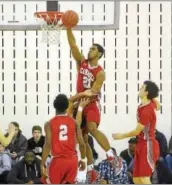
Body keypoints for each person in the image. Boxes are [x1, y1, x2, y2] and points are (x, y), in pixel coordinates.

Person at [66, 28, 122, 182]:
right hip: (80, 103)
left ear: (99, 54)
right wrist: (68, 28)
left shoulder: (100, 72)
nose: (90, 51)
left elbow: (92, 92)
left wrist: (76, 97)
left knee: (92, 129)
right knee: (82, 138)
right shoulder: (82, 62)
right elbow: (73, 45)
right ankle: (90, 169)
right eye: (90, 48)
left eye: (93, 49)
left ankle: (112, 157)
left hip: (91, 103)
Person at [112, 81, 160, 184]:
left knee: (144, 178)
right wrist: (154, 98)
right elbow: (158, 105)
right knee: (136, 179)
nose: (140, 88)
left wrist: (121, 136)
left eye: (142, 87)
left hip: (148, 145)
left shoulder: (147, 111)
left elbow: (137, 131)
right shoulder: (147, 103)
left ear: (147, 92)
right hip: (141, 144)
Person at [40, 94, 87, 184]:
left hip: (58, 160)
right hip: (72, 161)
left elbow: (48, 144)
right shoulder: (74, 122)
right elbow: (82, 144)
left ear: (54, 106)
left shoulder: (49, 124)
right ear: (66, 107)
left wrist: (42, 163)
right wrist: (83, 159)